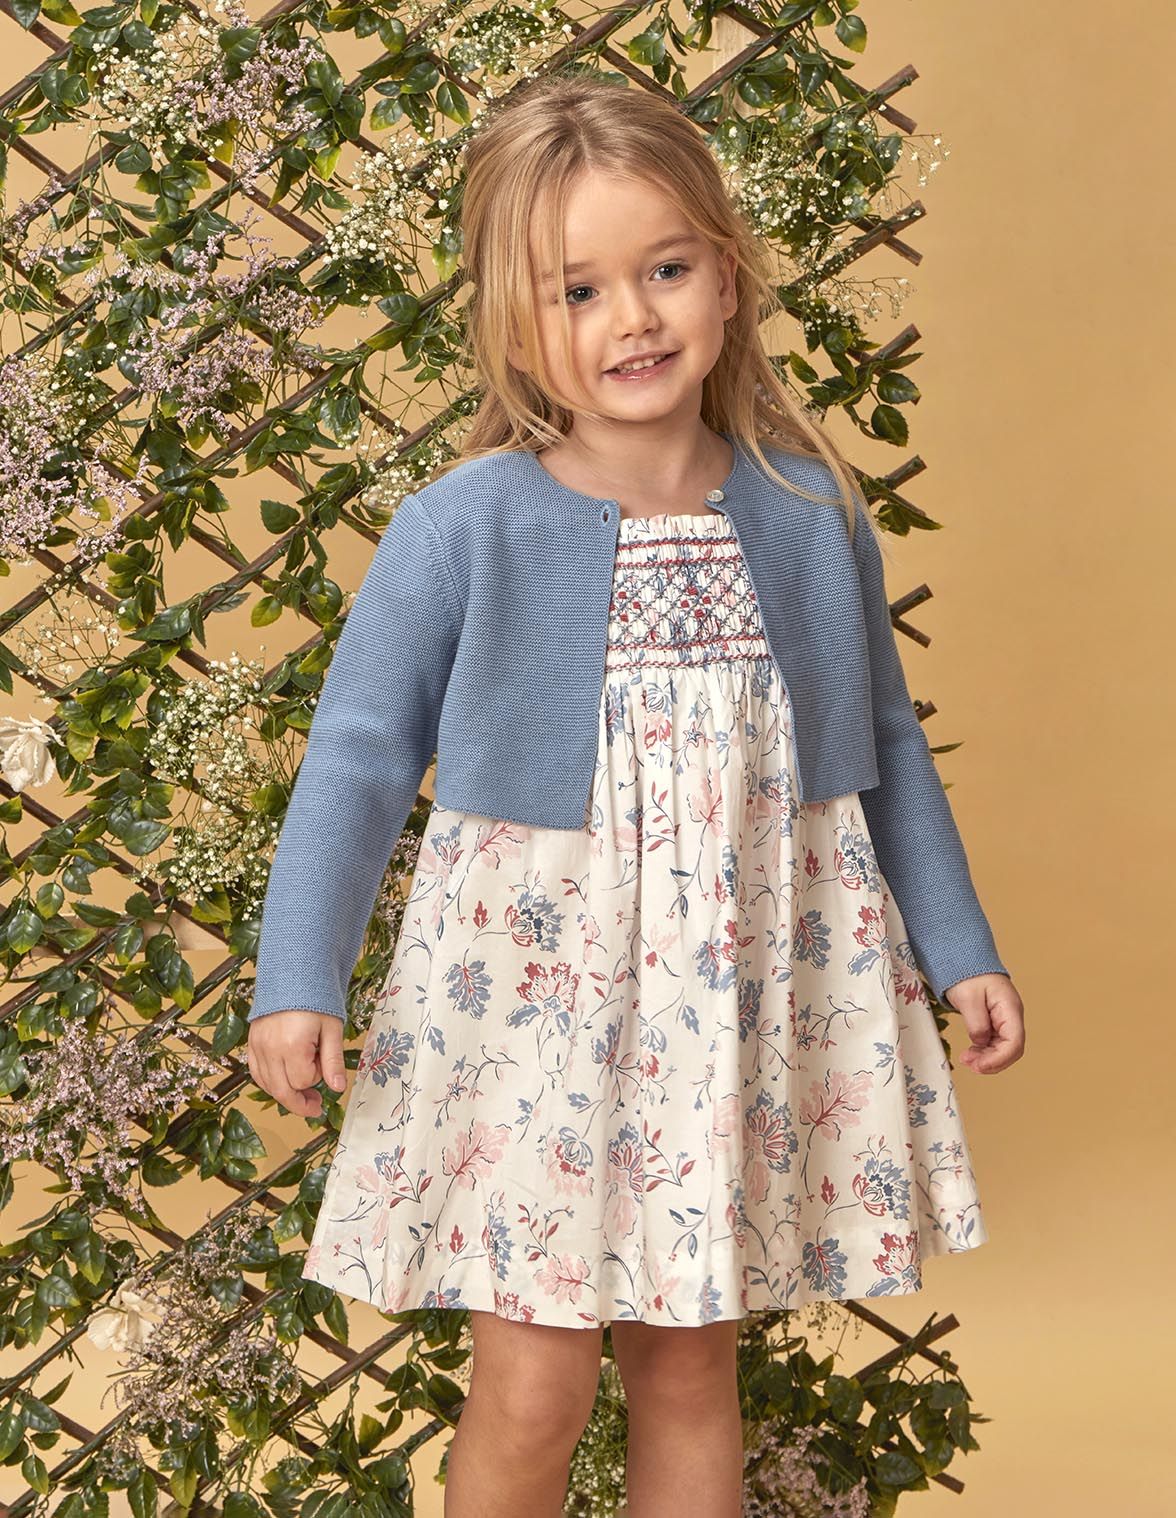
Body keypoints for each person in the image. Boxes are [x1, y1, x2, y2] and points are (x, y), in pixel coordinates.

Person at [247, 74, 1025, 1518]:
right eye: (579, 290)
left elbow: (883, 745)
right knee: (531, 1388)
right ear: (516, 324)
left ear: (726, 278)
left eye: (665, 270)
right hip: (532, 1013)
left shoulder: (808, 515)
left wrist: (960, 948)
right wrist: (299, 975)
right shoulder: (462, 526)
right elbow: (359, 750)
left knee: (689, 1372)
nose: (633, 320)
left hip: (721, 1013)